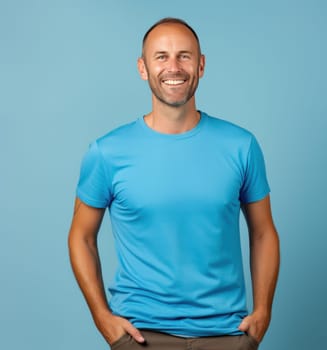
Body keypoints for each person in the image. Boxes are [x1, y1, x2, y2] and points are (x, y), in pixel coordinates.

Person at [68, 17, 280, 350]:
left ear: (201, 65)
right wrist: (102, 317)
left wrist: (263, 312)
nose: (174, 67)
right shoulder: (106, 153)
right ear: (143, 67)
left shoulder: (241, 145)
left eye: (184, 55)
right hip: (140, 335)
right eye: (161, 56)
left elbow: (264, 232)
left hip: (227, 333)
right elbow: (80, 235)